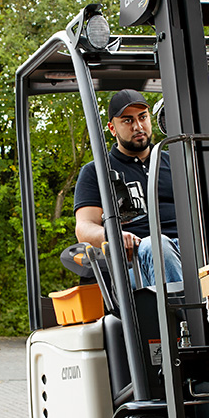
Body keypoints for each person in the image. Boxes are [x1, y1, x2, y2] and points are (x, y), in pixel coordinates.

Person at [73, 89, 182, 287]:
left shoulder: (176, 162)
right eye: (128, 120)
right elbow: (84, 227)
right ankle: (187, 316)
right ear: (112, 128)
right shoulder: (95, 171)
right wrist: (113, 237)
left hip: (188, 249)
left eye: (142, 117)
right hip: (136, 260)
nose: (138, 126)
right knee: (157, 244)